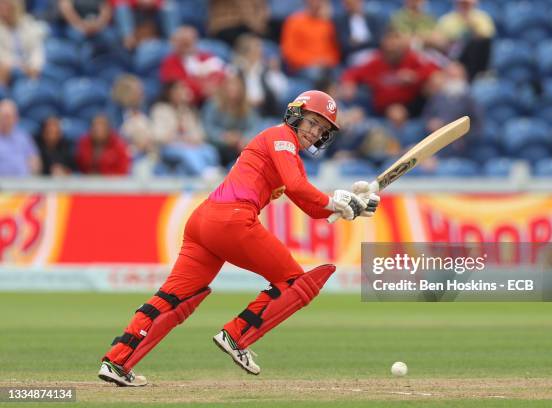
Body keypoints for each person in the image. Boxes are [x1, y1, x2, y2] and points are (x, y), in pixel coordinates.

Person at [97, 90, 380, 386]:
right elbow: (297, 187)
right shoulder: (280, 136)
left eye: (322, 129)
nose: (315, 132)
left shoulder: (288, 154)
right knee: (295, 283)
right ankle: (236, 335)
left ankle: (117, 361)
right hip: (232, 219)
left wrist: (353, 206)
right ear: (295, 115)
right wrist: (336, 201)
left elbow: (311, 206)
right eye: (312, 122)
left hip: (204, 222)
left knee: (175, 298)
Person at [160, 26, 227, 105]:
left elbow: (222, 73)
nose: (186, 46)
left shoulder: (207, 57)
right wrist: (202, 89)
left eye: (189, 42)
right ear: (175, 43)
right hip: (189, 103)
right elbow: (176, 86)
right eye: (183, 43)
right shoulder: (169, 62)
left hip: (214, 97)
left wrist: (214, 87)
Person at [435, 0, 495, 81]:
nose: (464, 6)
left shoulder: (482, 18)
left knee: (477, 43)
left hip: (475, 59)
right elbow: (439, 42)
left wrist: (470, 24)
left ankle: (474, 76)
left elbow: (486, 40)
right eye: (462, 3)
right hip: (453, 57)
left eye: (467, 3)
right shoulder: (446, 20)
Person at [0, 0, 47, 86]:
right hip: (11, 69)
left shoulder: (27, 22)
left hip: (30, 68)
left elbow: (36, 48)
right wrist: (20, 65)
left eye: (5, 4)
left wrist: (34, 66)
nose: (2, 8)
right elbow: (2, 56)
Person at [0, 98, 41, 176]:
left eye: (9, 117)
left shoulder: (24, 137)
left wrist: (34, 168)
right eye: (3, 117)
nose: (6, 120)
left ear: (16, 118)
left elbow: (35, 161)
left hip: (22, 184)